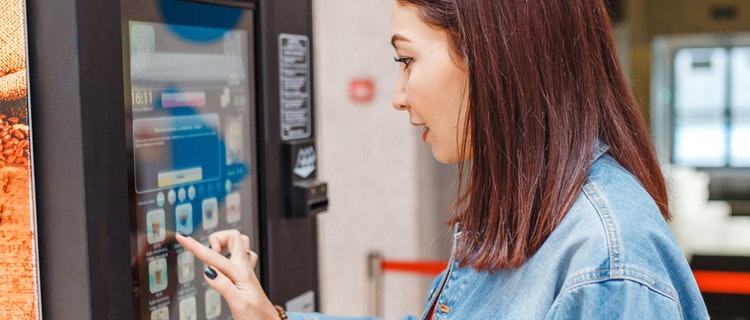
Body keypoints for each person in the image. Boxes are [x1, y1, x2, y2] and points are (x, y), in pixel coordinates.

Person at [177, 0, 710, 318]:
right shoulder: (536, 213)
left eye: (407, 60)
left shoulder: (605, 261)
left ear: (490, 54)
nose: (398, 94)